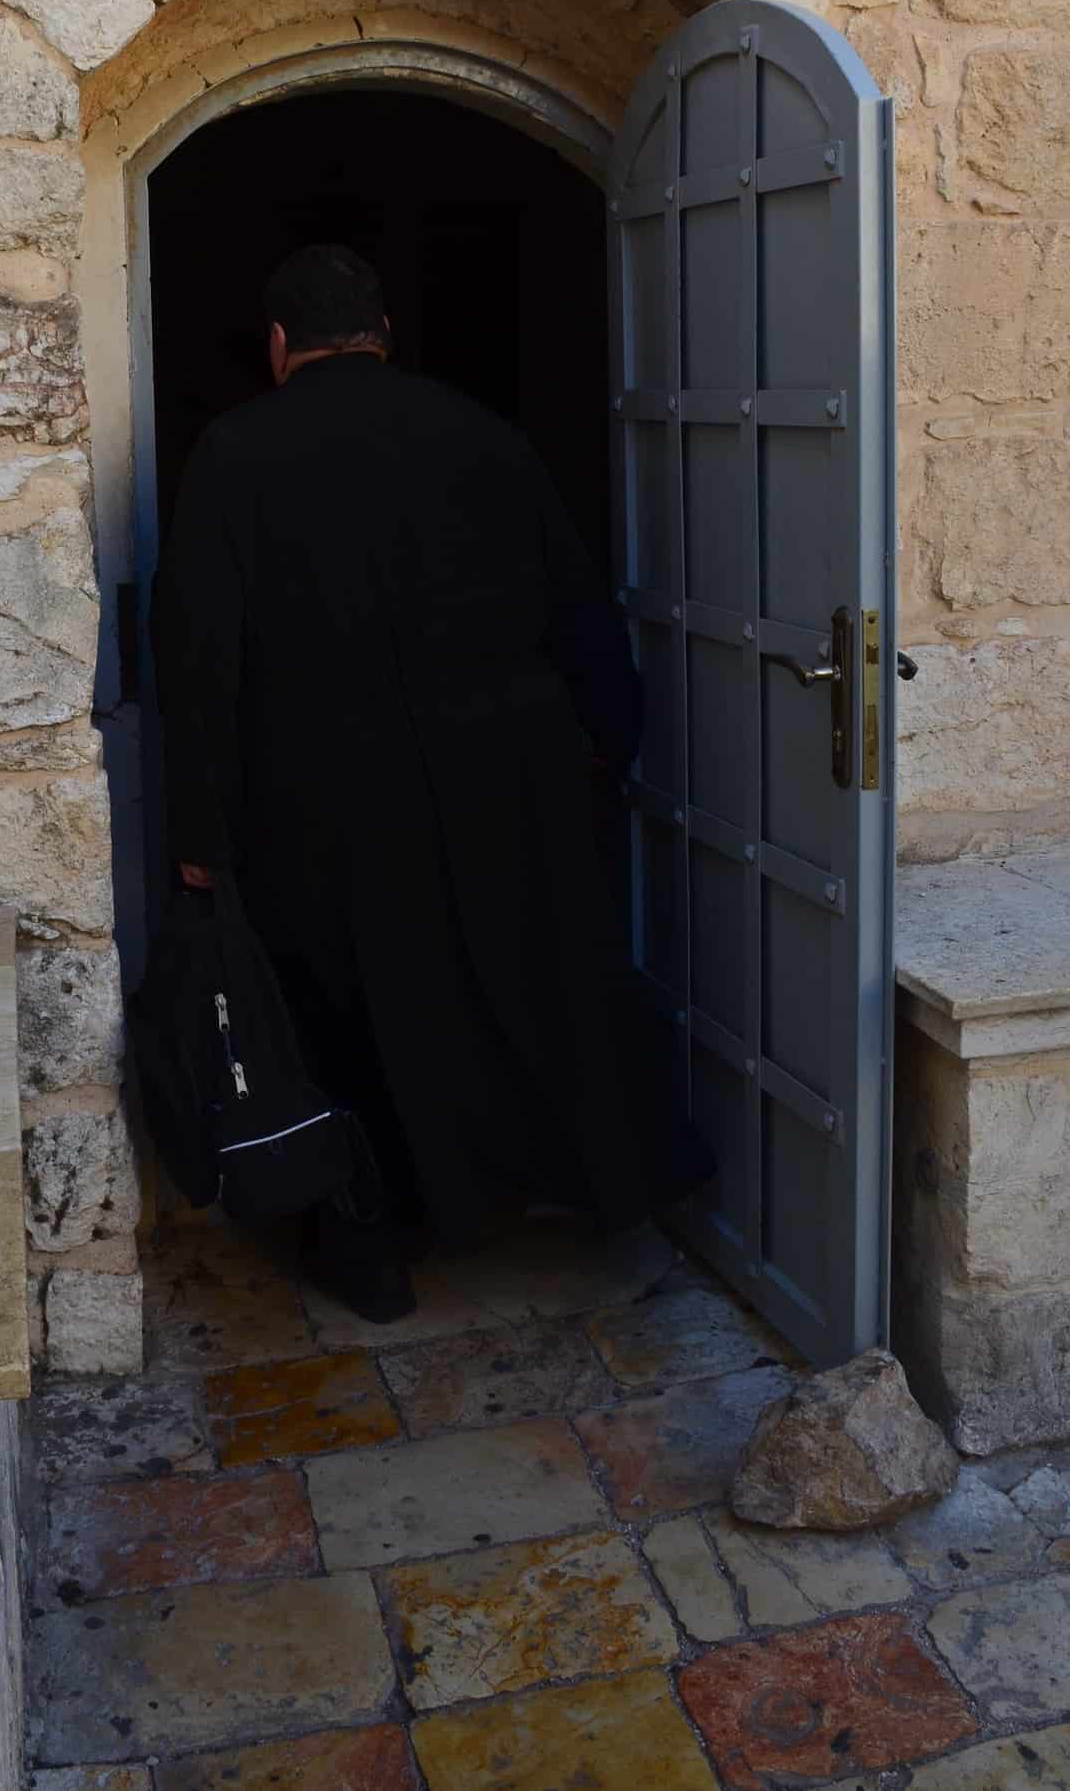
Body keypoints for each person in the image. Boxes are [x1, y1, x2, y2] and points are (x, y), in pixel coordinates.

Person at [151, 242, 710, 1321]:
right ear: (384, 336)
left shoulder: (234, 453)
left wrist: (199, 830)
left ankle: (370, 1249)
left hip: (323, 800)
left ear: (279, 345)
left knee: (347, 1014)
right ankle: (563, 1202)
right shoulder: (486, 438)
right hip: (508, 776)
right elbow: (576, 609)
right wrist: (612, 738)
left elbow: (197, 657)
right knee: (519, 985)